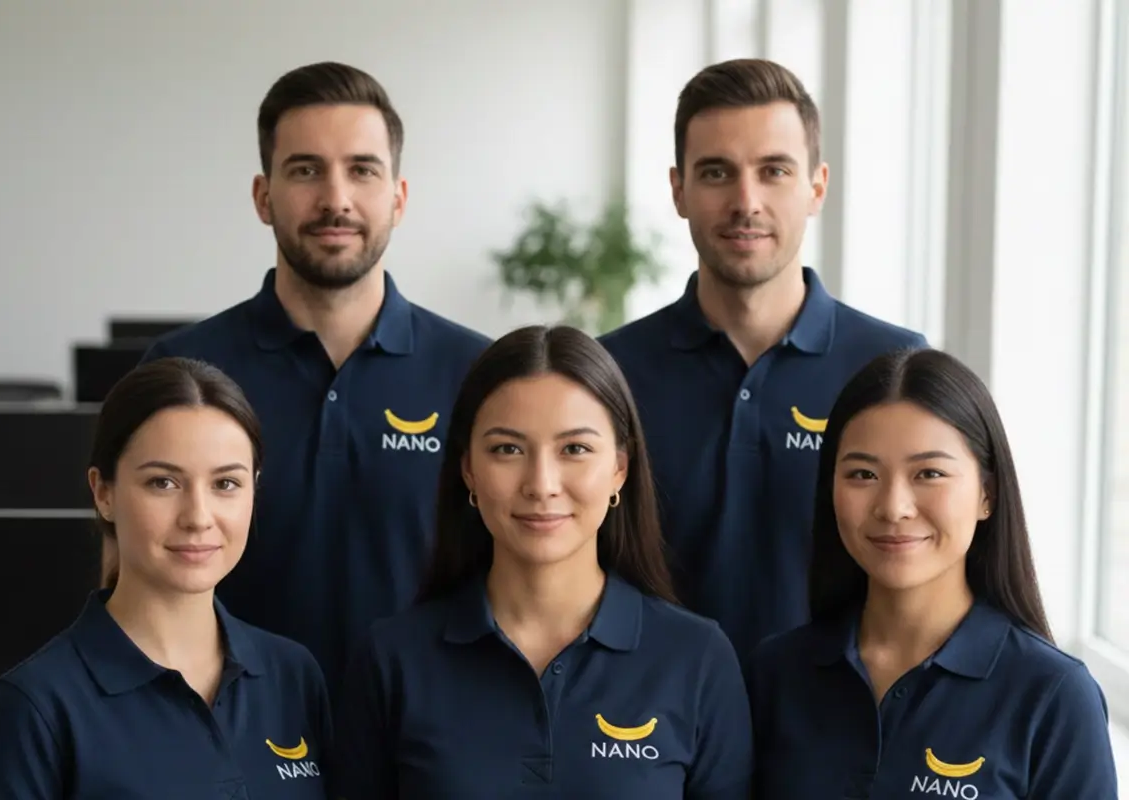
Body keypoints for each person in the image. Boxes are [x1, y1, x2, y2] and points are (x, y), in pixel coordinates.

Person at [141, 62, 490, 692]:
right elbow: (132, 576)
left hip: (426, 730)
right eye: (305, 170)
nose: (336, 199)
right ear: (263, 196)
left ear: (398, 197)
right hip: (227, 725)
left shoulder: (476, 373)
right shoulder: (182, 373)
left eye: (362, 170)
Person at [331, 325, 753, 799]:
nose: (541, 484)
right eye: (507, 449)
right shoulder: (392, 661)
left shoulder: (697, 658)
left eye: (575, 449)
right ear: (468, 469)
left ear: (620, 469)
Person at [599, 58, 927, 658]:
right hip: (657, 709)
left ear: (816, 187)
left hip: (844, 707)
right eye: (716, 172)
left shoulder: (894, 367)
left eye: (774, 171)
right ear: (678, 190)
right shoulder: (609, 374)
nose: (745, 201)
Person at [745, 348, 1119, 798]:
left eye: (929, 473)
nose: (893, 507)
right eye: (863, 474)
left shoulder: (1053, 695)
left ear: (987, 494)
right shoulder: (775, 674)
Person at [0, 358, 333, 799]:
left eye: (225, 484)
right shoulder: (36, 707)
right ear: (103, 492)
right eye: (163, 483)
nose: (198, 517)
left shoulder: (291, 676)